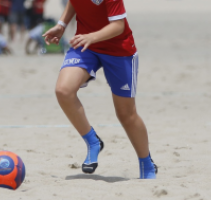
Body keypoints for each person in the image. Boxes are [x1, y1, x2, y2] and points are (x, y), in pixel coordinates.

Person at [43, 0, 158, 179]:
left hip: (119, 50)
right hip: (85, 45)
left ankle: (146, 163)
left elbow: (118, 26)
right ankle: (93, 142)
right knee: (63, 91)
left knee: (126, 114)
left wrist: (92, 36)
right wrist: (61, 25)